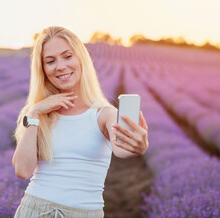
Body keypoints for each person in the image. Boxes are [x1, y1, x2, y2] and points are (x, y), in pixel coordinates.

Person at [12, 26, 149, 218]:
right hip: (35, 210)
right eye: (50, 61)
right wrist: (34, 113)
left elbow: (121, 149)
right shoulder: (36, 114)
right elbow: (22, 170)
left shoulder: (104, 114)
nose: (60, 66)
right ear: (42, 69)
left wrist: (138, 146)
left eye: (67, 56)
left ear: (81, 59)